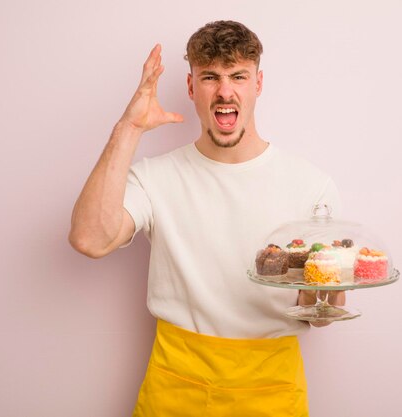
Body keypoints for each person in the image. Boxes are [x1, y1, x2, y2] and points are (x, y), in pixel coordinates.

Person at [69, 20, 345, 417]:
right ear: (191, 87)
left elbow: (321, 316)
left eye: (238, 76)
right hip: (175, 383)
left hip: (272, 387)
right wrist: (128, 128)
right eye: (210, 77)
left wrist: (332, 286)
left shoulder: (311, 187)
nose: (225, 90)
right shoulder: (155, 177)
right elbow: (89, 239)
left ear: (258, 83)